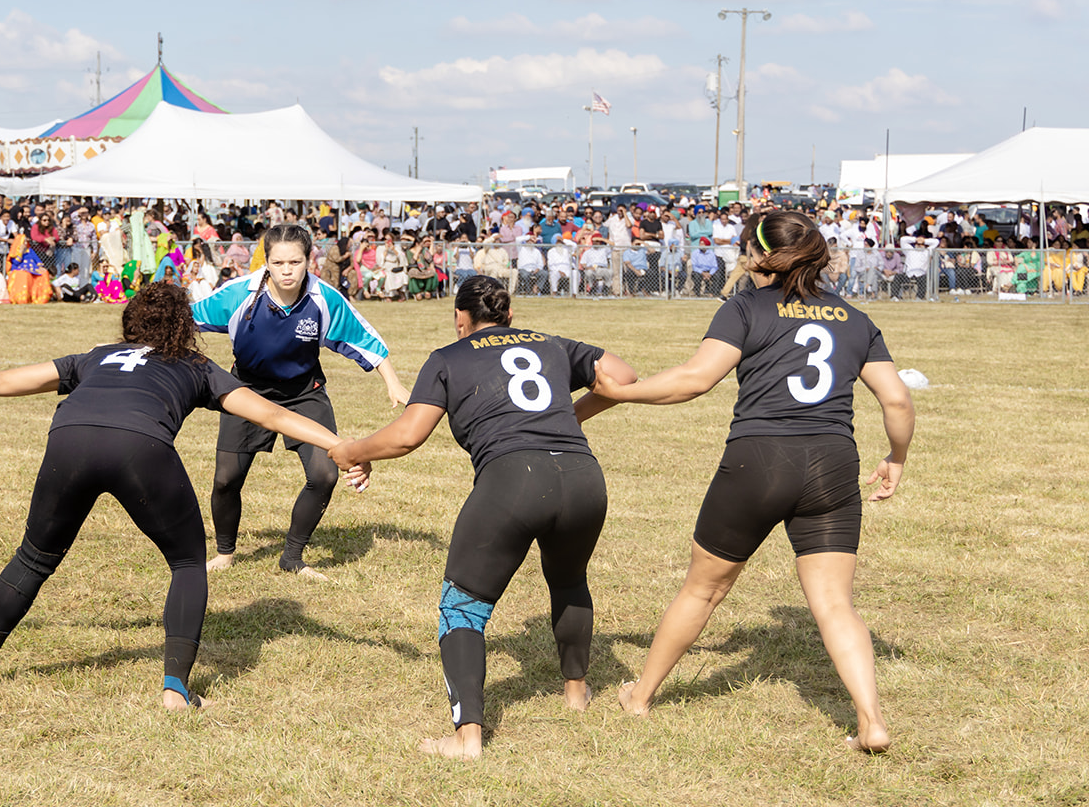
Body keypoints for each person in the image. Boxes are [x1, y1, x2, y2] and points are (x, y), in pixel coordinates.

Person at [0, 282, 367, 710]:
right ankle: (175, 690)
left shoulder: (96, 356)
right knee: (187, 562)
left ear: (129, 322)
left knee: (33, 558)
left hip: (69, 439)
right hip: (140, 447)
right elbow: (273, 415)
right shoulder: (196, 364)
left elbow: (3, 381)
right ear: (185, 327)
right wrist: (342, 446)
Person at [590, 210, 914, 753]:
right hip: (833, 464)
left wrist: (622, 394)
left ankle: (640, 696)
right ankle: (871, 722)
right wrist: (897, 456)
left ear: (758, 255)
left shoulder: (744, 306)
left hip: (759, 460)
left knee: (704, 589)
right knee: (835, 604)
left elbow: (695, 380)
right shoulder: (855, 317)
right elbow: (897, 399)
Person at [328, 276, 636, 759]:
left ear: (460, 319)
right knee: (569, 579)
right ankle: (576, 695)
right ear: (509, 316)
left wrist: (352, 451)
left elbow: (408, 435)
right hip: (583, 477)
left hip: (514, 481)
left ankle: (466, 738)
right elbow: (624, 376)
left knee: (463, 607)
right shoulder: (551, 343)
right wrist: (571, 417)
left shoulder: (447, 357)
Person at [192, 223, 409, 578]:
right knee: (226, 479)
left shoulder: (324, 298)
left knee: (324, 474)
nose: (287, 271)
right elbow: (186, 318)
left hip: (304, 392)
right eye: (278, 263)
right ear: (266, 262)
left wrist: (393, 383)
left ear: (309, 260)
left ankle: (292, 557)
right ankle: (225, 553)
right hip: (247, 390)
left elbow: (364, 338)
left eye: (295, 262)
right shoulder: (239, 293)